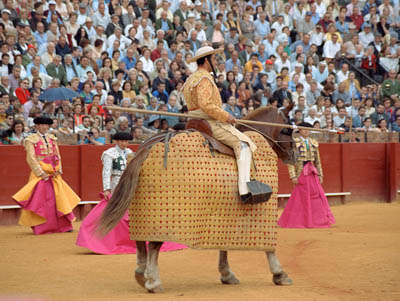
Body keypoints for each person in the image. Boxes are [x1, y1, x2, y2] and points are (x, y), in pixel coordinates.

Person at [182, 46, 270, 203]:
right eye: (214, 59)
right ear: (207, 60)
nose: (216, 62)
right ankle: (245, 190)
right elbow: (206, 105)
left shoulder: (191, 79)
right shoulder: (204, 79)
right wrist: (226, 116)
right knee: (243, 144)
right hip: (209, 121)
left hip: (193, 121)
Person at [76, 132, 186, 254]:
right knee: (113, 212)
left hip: (130, 184)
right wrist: (107, 189)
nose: (125, 143)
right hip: (116, 185)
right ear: (116, 141)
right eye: (122, 141)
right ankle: (106, 241)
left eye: (127, 141)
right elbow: (106, 172)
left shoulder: (129, 152)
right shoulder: (109, 154)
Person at [12, 116, 81, 234]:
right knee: (41, 201)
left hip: (53, 174)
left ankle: (64, 226)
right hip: (40, 175)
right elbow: (31, 159)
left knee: (58, 199)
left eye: (46, 125)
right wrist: (41, 173)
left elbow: (57, 155)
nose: (45, 127)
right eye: (42, 125)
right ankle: (41, 227)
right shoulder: (30, 139)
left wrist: (58, 169)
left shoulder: (52, 138)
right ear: (36, 126)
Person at [278, 122, 335, 228]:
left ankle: (317, 220)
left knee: (316, 196)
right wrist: (293, 176)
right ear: (299, 130)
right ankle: (299, 220)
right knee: (300, 198)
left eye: (308, 129)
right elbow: (291, 160)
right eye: (304, 129)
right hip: (301, 172)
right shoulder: (295, 142)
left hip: (312, 173)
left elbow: (318, 160)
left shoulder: (314, 142)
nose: (306, 131)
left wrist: (320, 174)